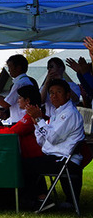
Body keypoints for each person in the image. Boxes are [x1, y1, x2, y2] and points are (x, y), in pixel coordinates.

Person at [24, 79, 88, 208]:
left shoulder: (69, 113)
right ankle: (40, 198)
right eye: (51, 93)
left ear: (68, 95)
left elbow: (52, 138)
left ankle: (37, 200)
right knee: (28, 162)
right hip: (56, 157)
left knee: (26, 165)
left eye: (58, 92)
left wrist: (39, 119)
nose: (54, 96)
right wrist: (37, 123)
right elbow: (42, 142)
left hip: (65, 161)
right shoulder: (57, 113)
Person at [0, 54, 34, 125]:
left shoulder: (20, 83)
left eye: (10, 67)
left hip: (20, 119)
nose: (9, 70)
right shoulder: (22, 81)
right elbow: (9, 100)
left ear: (18, 68)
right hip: (20, 118)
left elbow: (6, 104)